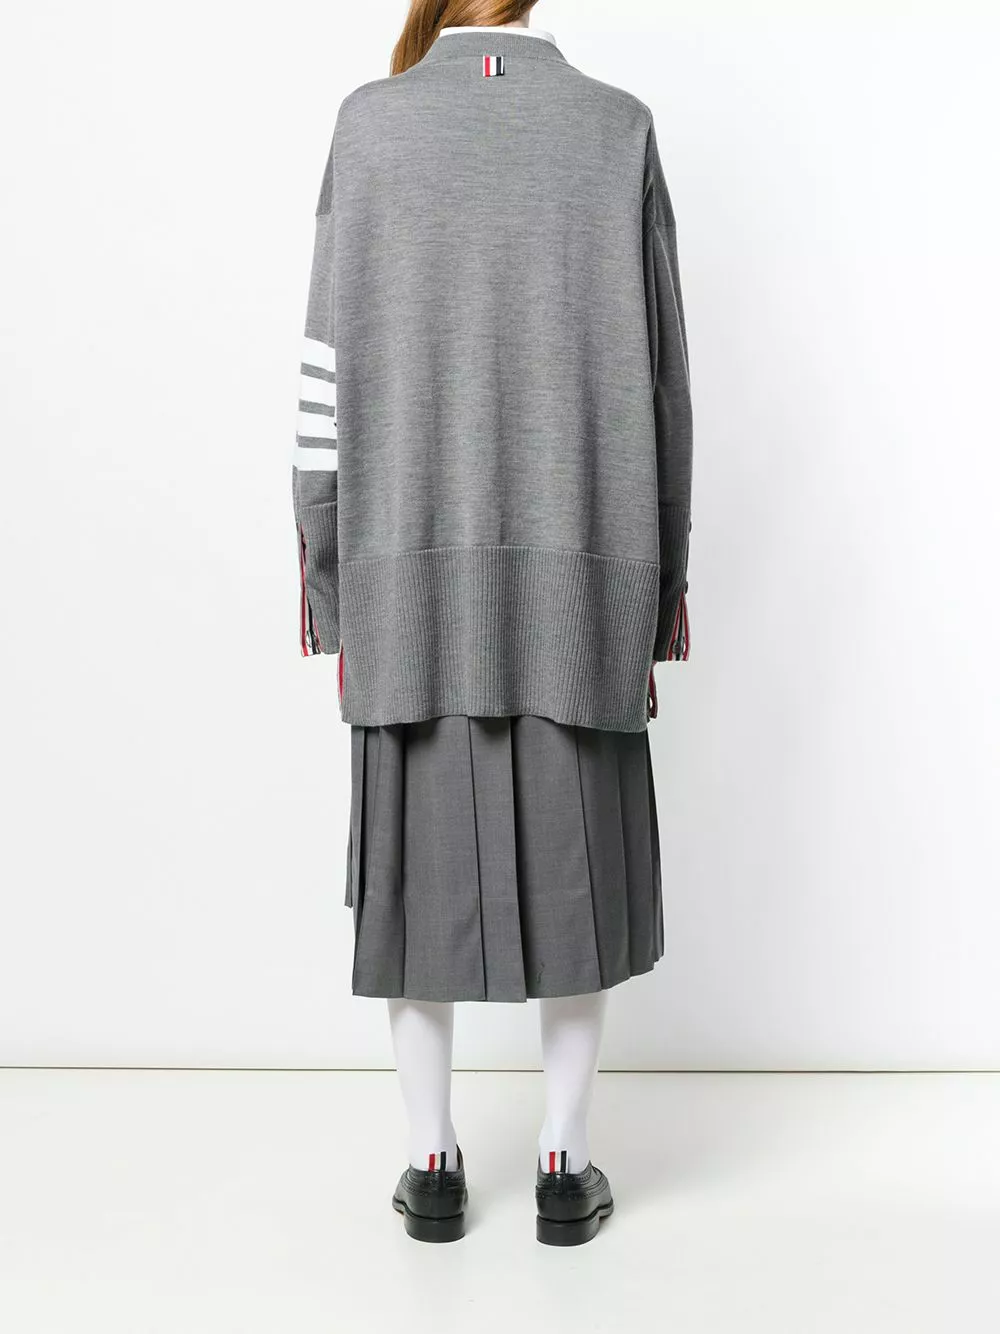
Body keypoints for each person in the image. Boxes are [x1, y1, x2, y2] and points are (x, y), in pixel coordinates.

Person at [291, 0, 693, 1246]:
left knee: (411, 883)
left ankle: (432, 1160)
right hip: (584, 582)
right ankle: (565, 1161)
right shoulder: (615, 128)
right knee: (578, 872)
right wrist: (656, 591)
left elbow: (322, 377)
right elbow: (666, 390)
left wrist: (331, 580)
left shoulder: (368, 128)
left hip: (404, 581)